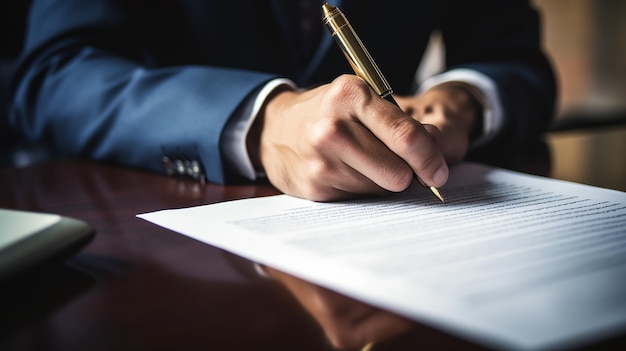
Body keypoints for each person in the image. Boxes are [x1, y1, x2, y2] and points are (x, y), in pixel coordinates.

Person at [9, 0, 556, 349]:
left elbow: (514, 58)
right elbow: (57, 72)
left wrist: (461, 101)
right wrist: (260, 120)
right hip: (154, 265)